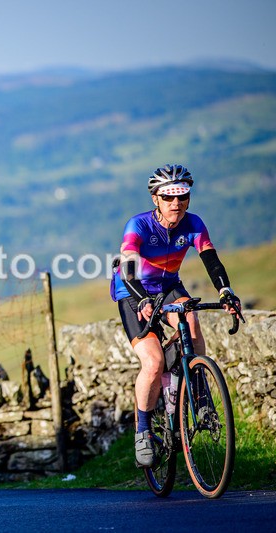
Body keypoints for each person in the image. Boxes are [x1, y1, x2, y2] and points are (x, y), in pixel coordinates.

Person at [111, 164, 240, 468]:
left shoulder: (193, 224)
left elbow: (211, 260)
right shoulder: (138, 225)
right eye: (168, 197)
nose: (176, 203)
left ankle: (202, 398)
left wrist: (226, 292)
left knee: (191, 322)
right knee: (153, 362)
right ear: (156, 199)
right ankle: (143, 431)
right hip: (133, 290)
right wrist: (142, 299)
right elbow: (127, 268)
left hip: (168, 285)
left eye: (182, 196)